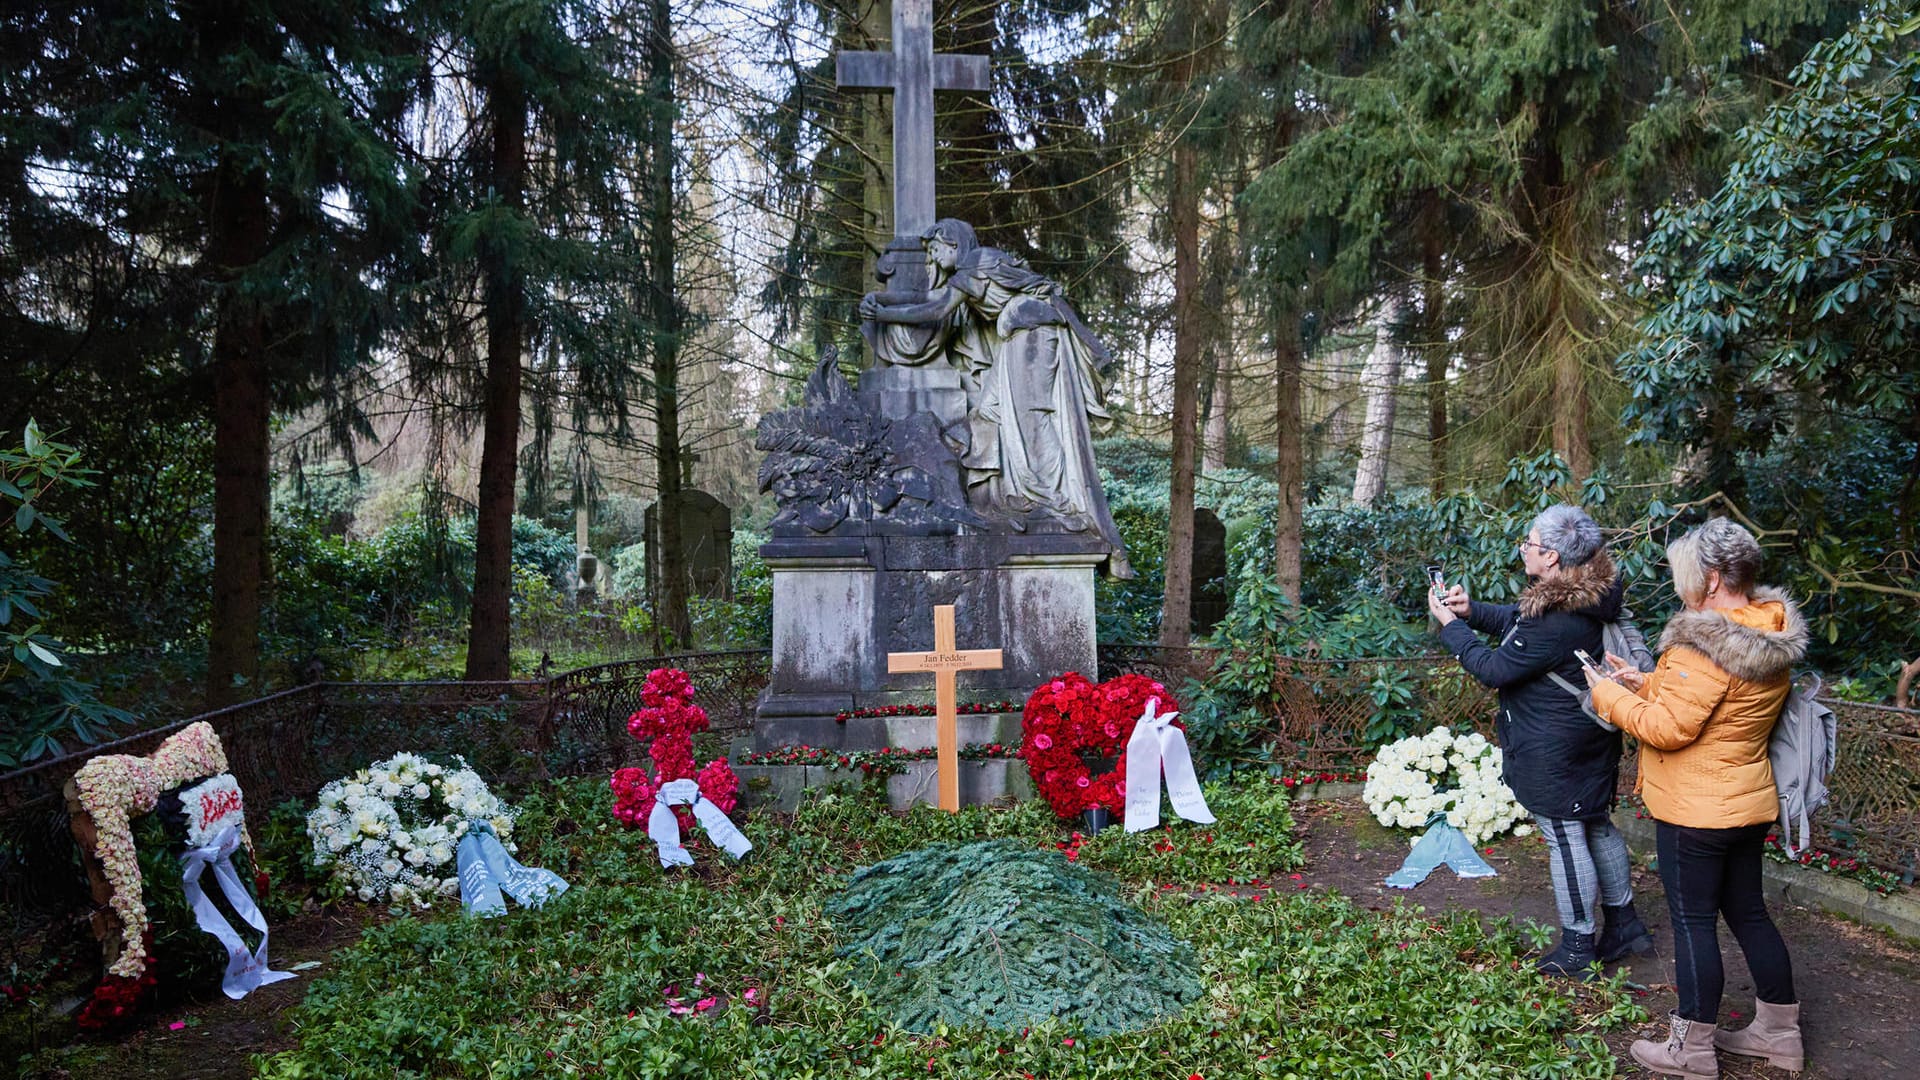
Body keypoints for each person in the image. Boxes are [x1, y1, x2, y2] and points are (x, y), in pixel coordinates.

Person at [1587, 518, 1808, 1078]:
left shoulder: (1702, 643)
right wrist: (1644, 681)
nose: (1682, 585)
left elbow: (1667, 731)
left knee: (1692, 923)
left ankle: (1690, 1049)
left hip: (1695, 812)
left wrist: (1609, 697)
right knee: (1750, 914)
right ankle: (1780, 1036)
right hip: (1746, 801)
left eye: (1687, 575)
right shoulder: (1765, 631)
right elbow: (1715, 704)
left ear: (1711, 579)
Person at [1427, 505, 1651, 978]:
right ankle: (1625, 924)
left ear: (1550, 557)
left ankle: (1577, 945)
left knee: (1565, 838)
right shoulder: (1590, 594)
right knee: (1596, 825)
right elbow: (1522, 621)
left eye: (1527, 544)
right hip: (1590, 737)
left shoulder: (1553, 618)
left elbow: (1495, 668)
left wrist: (1452, 627)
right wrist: (1473, 612)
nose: (1523, 550)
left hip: (1557, 748)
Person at [859, 219, 1133, 578]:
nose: (931, 257)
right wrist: (884, 301)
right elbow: (933, 302)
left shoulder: (974, 264)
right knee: (989, 413)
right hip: (1015, 339)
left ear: (952, 244)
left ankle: (1054, 498)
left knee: (1030, 419)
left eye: (934, 249)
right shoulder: (970, 272)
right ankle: (1010, 492)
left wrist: (884, 313)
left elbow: (936, 310)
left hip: (1032, 336)